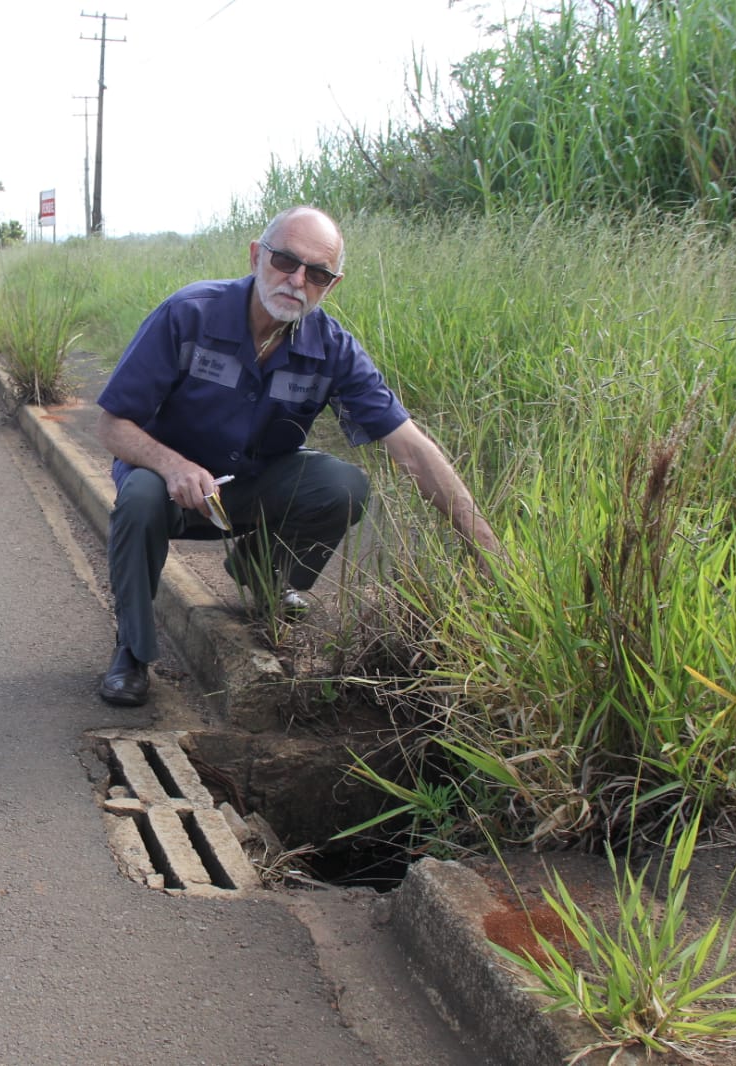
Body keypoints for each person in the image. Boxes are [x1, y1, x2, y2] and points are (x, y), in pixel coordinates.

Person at [95, 205, 502, 706]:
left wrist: (486, 546)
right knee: (138, 496)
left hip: (252, 487)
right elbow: (113, 423)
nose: (296, 280)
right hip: (171, 489)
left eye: (316, 273)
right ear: (255, 256)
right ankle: (131, 651)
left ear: (331, 284)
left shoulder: (333, 349)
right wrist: (172, 464)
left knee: (344, 487)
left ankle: (262, 574)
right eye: (285, 261)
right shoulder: (189, 313)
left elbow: (412, 450)